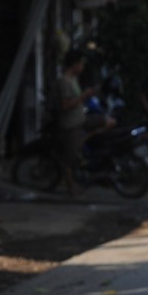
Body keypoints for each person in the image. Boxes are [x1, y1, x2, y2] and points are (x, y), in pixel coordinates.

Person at [55, 48, 95, 196]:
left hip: (80, 120)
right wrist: (83, 96)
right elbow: (66, 105)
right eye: (81, 64)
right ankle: (71, 187)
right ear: (74, 65)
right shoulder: (65, 81)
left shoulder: (73, 79)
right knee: (70, 159)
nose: (82, 67)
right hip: (71, 124)